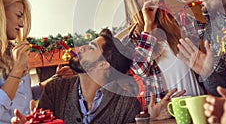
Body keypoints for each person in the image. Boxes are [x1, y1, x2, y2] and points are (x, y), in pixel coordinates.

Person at [119, 0, 204, 112]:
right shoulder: (129, 40)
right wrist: (148, 26)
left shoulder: (177, 22)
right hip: (169, 113)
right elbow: (141, 70)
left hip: (198, 103)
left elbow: (211, 31)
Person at [12, 28, 141, 124]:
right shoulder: (54, 90)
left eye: (91, 48)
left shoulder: (127, 105)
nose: (82, 48)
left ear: (103, 64)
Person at [0, 0, 72, 123]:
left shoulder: (13, 52)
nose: (22, 24)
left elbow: (21, 96)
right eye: (19, 16)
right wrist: (17, 70)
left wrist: (51, 81)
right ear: (2, 15)